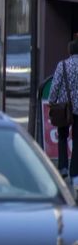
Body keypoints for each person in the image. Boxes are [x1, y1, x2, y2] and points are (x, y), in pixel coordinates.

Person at [49, 38, 78, 179]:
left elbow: (55, 86)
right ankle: (75, 171)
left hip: (64, 108)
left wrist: (52, 101)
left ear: (69, 51)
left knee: (62, 137)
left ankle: (63, 168)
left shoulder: (63, 65)